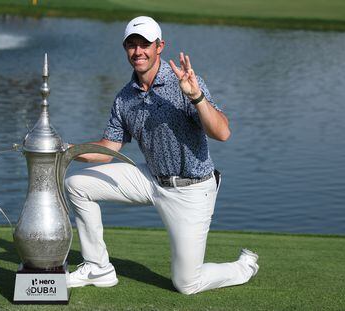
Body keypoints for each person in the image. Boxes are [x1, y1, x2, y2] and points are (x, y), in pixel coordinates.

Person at [65, 16, 259, 295]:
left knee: (187, 284)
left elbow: (223, 133)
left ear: (160, 46)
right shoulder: (125, 98)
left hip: (192, 189)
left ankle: (244, 266)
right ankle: (98, 267)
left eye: (144, 44)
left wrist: (196, 97)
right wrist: (68, 150)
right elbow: (109, 149)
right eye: (131, 45)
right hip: (151, 179)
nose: (138, 52)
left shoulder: (185, 83)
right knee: (77, 185)